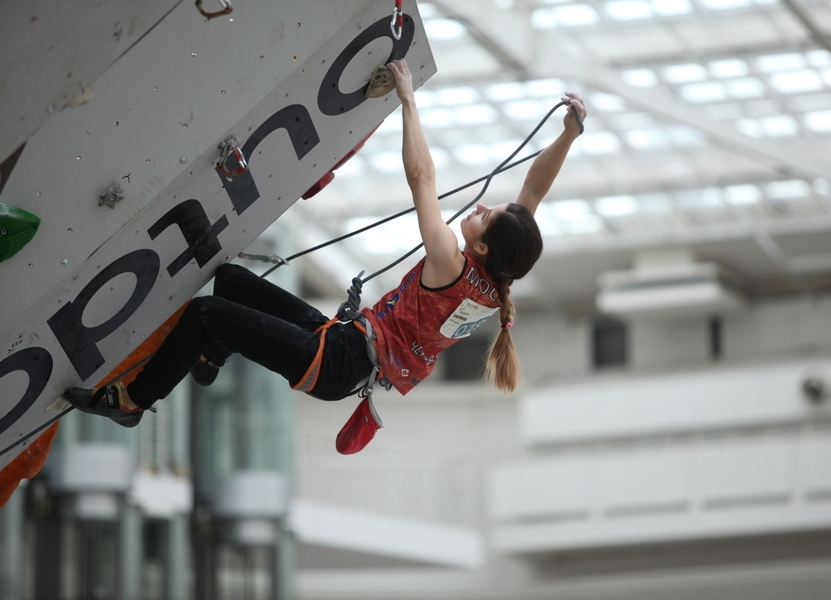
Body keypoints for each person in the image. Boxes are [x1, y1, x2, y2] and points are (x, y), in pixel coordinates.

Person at [66, 59, 587, 434]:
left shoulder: (450, 261)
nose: (481, 207)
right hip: (344, 343)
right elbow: (532, 192)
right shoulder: (497, 281)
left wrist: (408, 101)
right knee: (230, 281)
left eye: (486, 216)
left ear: (486, 248)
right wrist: (567, 135)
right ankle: (211, 356)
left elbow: (422, 178)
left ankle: (133, 402)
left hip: (339, 360)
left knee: (206, 314)